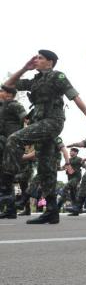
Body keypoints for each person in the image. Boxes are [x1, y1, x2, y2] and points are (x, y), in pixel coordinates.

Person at [0, 50, 86, 224]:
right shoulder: (35, 81)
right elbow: (8, 84)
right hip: (39, 123)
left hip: (53, 121)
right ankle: (52, 211)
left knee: (14, 139)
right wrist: (25, 68)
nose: (36, 60)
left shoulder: (57, 76)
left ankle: (4, 189)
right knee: (45, 168)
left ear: (50, 62)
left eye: (40, 58)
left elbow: (74, 96)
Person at [0, 85, 27, 218]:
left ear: (8, 94)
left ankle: (10, 208)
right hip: (3, 144)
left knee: (6, 176)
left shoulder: (16, 105)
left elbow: (27, 120)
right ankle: (10, 210)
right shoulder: (2, 107)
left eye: (2, 91)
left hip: (11, 145)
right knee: (5, 178)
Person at [57, 147, 86, 211]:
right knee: (73, 193)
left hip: (76, 178)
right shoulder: (68, 160)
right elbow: (63, 168)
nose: (70, 152)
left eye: (72, 151)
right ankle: (76, 208)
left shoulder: (79, 159)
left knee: (66, 187)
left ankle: (59, 205)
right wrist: (55, 168)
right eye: (70, 151)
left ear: (76, 153)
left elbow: (85, 166)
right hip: (70, 178)